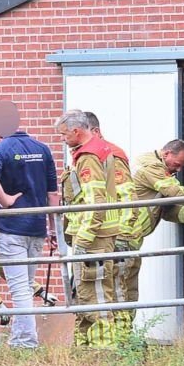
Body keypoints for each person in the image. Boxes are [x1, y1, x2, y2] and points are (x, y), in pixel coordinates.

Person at [120, 139, 184, 334]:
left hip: (132, 236)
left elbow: (163, 208)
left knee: (128, 288)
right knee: (125, 289)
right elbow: (176, 193)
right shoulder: (151, 167)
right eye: (177, 164)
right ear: (166, 153)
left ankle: (124, 333)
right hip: (126, 235)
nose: (178, 169)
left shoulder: (154, 165)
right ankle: (120, 335)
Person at [0, 101, 59, 349]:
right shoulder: (42, 149)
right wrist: (53, 229)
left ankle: (25, 342)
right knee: (25, 285)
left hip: (11, 227)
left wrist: (4, 201)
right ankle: (21, 338)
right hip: (37, 228)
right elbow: (53, 195)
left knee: (19, 288)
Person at [55, 110, 126, 347]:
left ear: (77, 131)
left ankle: (102, 349)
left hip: (93, 238)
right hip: (98, 235)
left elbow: (96, 203)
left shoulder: (88, 157)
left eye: (64, 135)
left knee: (93, 293)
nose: (62, 139)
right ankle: (85, 346)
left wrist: (83, 242)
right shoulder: (99, 150)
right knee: (89, 291)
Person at [81, 111, 138, 341]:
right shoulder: (90, 156)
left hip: (115, 237)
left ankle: (121, 341)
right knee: (96, 292)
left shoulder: (109, 155)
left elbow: (127, 196)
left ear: (94, 131)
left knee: (116, 291)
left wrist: (123, 235)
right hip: (101, 236)